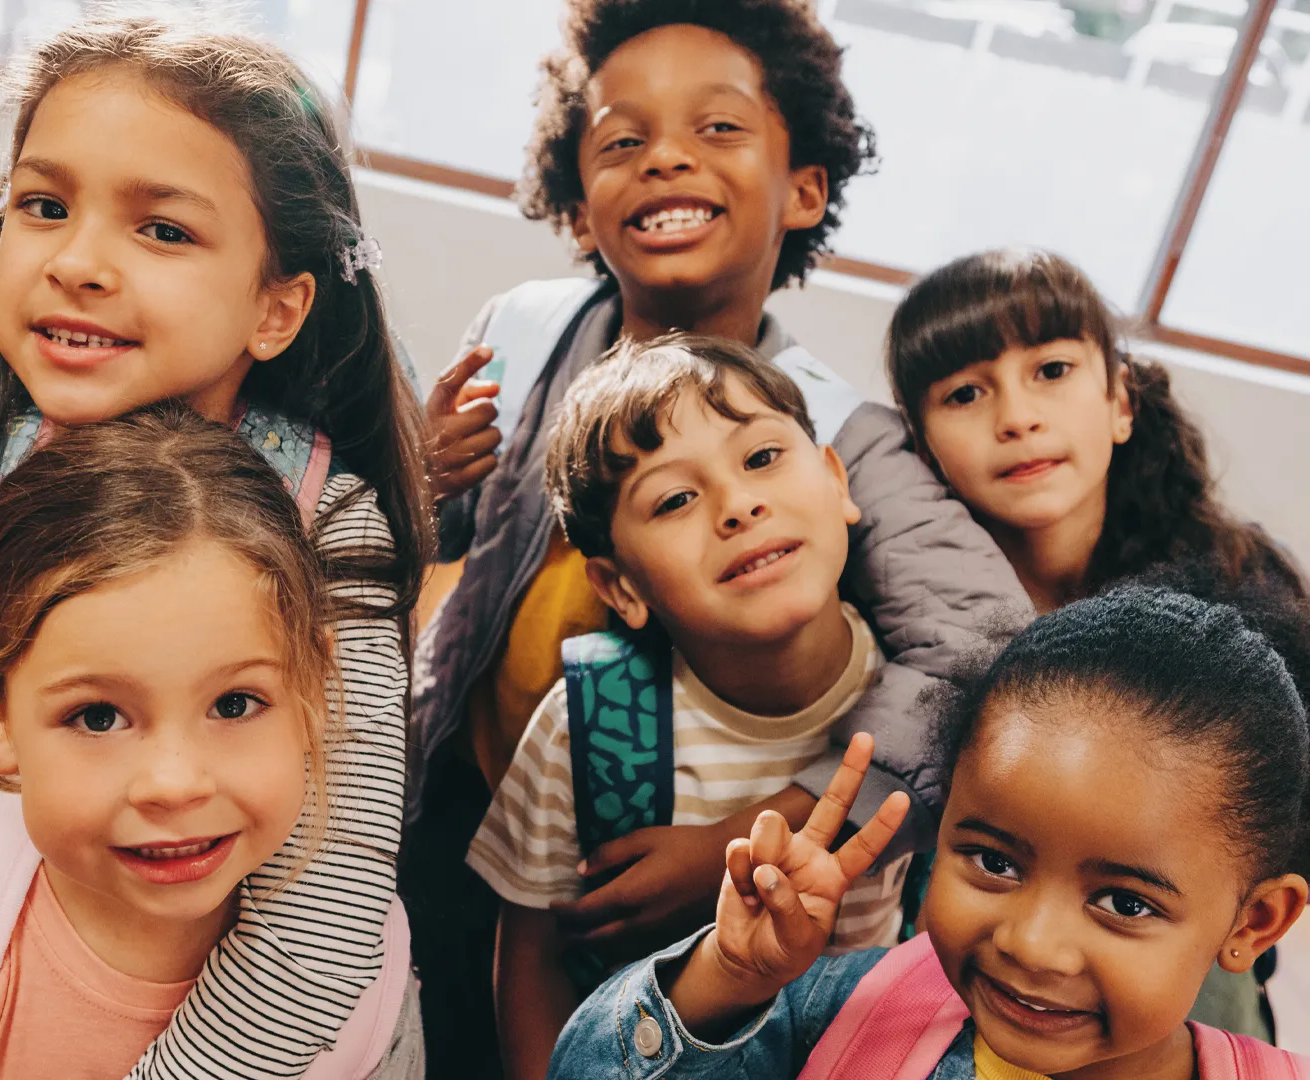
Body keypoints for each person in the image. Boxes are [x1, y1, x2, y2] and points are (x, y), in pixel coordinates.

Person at [0, 13, 428, 1080]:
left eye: (162, 230)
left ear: (277, 305)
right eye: (45, 207)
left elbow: (323, 905)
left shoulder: (328, 530)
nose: (77, 263)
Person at [406, 0, 1027, 1068]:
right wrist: (420, 484)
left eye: (720, 128)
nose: (666, 160)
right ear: (577, 192)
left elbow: (981, 643)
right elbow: (456, 536)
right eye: (622, 140)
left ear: (805, 187)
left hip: (705, 863)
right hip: (483, 819)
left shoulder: (837, 427)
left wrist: (765, 832)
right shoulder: (521, 328)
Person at [551, 579, 1310, 1079]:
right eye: (994, 861)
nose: (1029, 944)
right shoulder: (839, 1011)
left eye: (1125, 903)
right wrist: (728, 976)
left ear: (1255, 921)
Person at [0, 406, 421, 1080]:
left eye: (235, 704)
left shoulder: (364, 987)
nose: (174, 783)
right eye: (98, 717)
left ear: (315, 691)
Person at [469, 333, 913, 1078]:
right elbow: (533, 967)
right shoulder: (586, 725)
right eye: (675, 499)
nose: (739, 505)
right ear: (621, 588)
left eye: (762, 457)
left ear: (836, 482)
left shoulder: (916, 697)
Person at [886, 247, 1304, 614]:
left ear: (1121, 403)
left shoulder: (1249, 582)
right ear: (924, 447)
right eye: (964, 395)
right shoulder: (893, 605)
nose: (1016, 418)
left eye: (1052, 371)